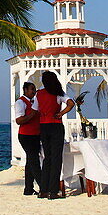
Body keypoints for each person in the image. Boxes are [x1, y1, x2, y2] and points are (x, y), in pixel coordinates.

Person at [33, 71, 74, 199]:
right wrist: (61, 113)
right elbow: (71, 103)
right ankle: (53, 191)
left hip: (43, 126)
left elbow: (35, 109)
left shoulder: (38, 94)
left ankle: (43, 190)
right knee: (56, 159)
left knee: (47, 158)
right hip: (55, 125)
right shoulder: (58, 92)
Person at [13, 82, 42, 195]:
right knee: (34, 161)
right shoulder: (20, 103)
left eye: (34, 89)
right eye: (31, 89)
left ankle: (28, 188)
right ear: (25, 90)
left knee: (30, 161)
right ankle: (42, 185)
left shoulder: (34, 102)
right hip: (26, 135)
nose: (33, 92)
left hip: (35, 134)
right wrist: (32, 114)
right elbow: (19, 120)